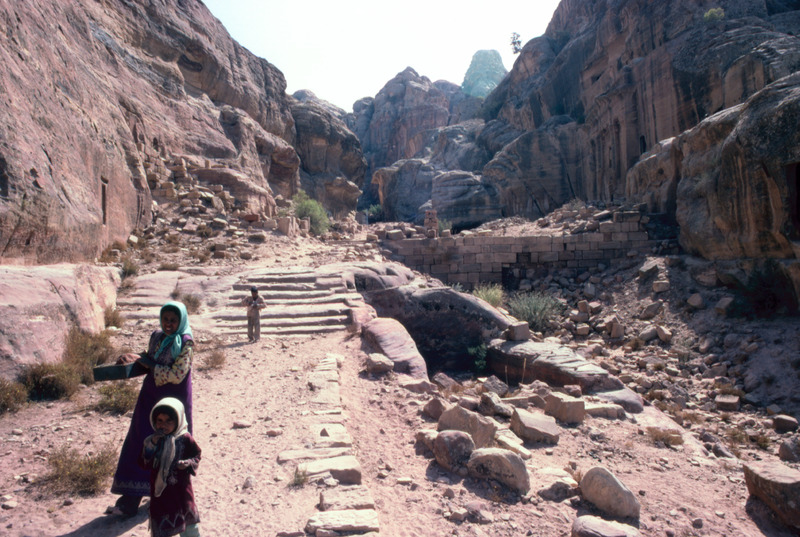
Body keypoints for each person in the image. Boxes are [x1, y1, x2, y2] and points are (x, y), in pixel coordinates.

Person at [108, 301, 194, 517]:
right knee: (141, 441)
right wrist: (135, 358)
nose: (168, 324)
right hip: (150, 398)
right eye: (165, 319)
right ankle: (129, 500)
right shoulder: (157, 336)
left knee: (172, 446)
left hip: (173, 402)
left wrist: (151, 365)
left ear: (181, 321)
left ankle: (167, 497)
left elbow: (177, 374)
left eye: (173, 320)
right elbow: (149, 356)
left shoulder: (186, 342)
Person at [139, 397, 201, 537]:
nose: (163, 425)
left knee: (189, 526)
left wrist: (187, 463)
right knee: (163, 524)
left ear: (178, 420)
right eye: (159, 420)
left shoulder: (185, 439)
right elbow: (144, 463)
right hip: (161, 493)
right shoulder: (152, 441)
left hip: (181, 490)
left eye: (169, 421)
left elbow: (196, 455)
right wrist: (151, 445)